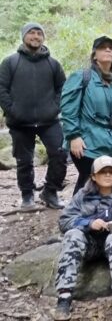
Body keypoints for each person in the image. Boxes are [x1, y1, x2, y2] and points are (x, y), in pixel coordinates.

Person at [53, 156, 112, 321]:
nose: (108, 175)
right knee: (72, 235)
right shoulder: (83, 195)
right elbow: (64, 221)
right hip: (91, 246)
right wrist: (88, 223)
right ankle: (64, 296)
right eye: (103, 172)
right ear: (93, 176)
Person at [0, 22, 67, 209]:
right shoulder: (10, 62)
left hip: (49, 120)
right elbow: (1, 89)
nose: (36, 37)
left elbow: (63, 88)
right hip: (20, 122)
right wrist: (13, 110)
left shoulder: (53, 64)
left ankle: (50, 191)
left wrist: (55, 108)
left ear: (43, 38)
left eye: (39, 33)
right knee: (24, 161)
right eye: (31, 33)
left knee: (60, 153)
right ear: (24, 36)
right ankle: (27, 195)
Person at [61, 36, 112, 196]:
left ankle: (103, 217)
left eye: (111, 48)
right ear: (94, 55)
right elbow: (68, 109)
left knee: (107, 183)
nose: (108, 50)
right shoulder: (81, 77)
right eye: (102, 48)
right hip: (87, 143)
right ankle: (75, 217)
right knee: (89, 180)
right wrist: (73, 136)